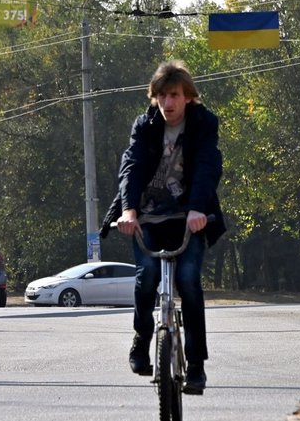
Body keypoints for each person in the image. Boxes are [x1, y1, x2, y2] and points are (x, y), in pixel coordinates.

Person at [100, 60, 226, 395]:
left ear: (188, 97)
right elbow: (132, 165)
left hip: (190, 217)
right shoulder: (145, 125)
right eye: (161, 95)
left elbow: (207, 166)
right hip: (149, 219)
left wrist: (198, 209)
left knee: (188, 281)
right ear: (154, 97)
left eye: (174, 95)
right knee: (146, 278)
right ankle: (142, 339)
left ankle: (196, 367)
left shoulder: (203, 123)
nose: (167, 103)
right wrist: (128, 211)